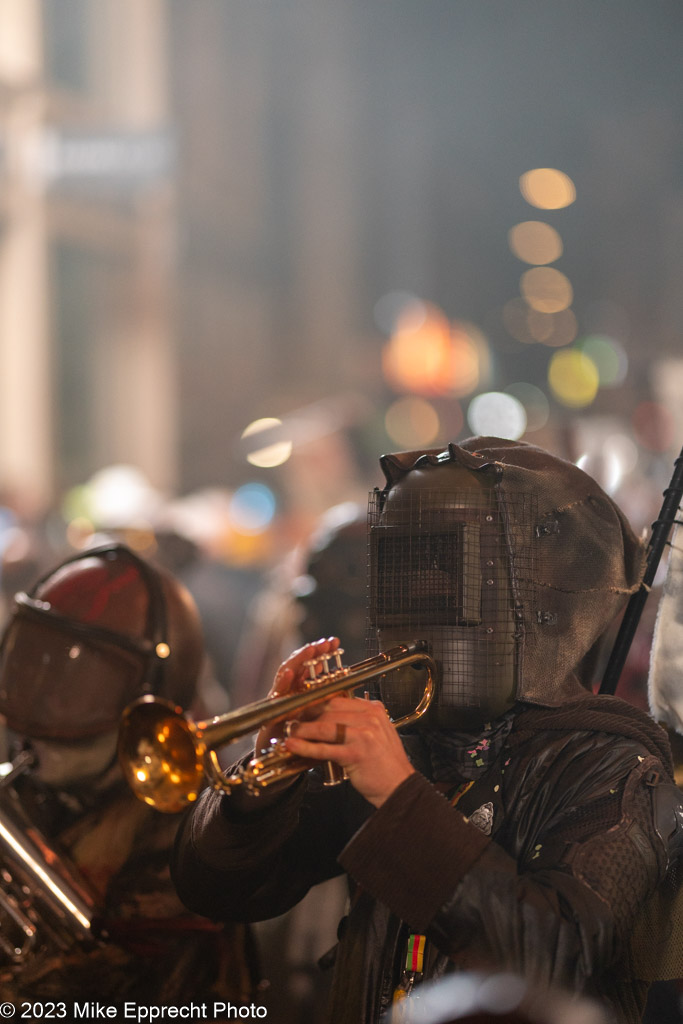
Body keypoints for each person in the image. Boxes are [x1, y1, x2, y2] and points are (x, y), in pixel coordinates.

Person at [171, 438, 683, 1024]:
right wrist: (265, 783)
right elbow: (218, 888)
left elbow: (551, 958)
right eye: (402, 574)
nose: (415, 603)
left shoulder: (613, 766)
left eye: (443, 576)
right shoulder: (404, 737)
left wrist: (399, 798)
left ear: (534, 601)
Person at [0, 542, 256, 1006]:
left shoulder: (188, 832)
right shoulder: (38, 790)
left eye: (77, 686)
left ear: (148, 699)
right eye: (32, 666)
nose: (39, 709)